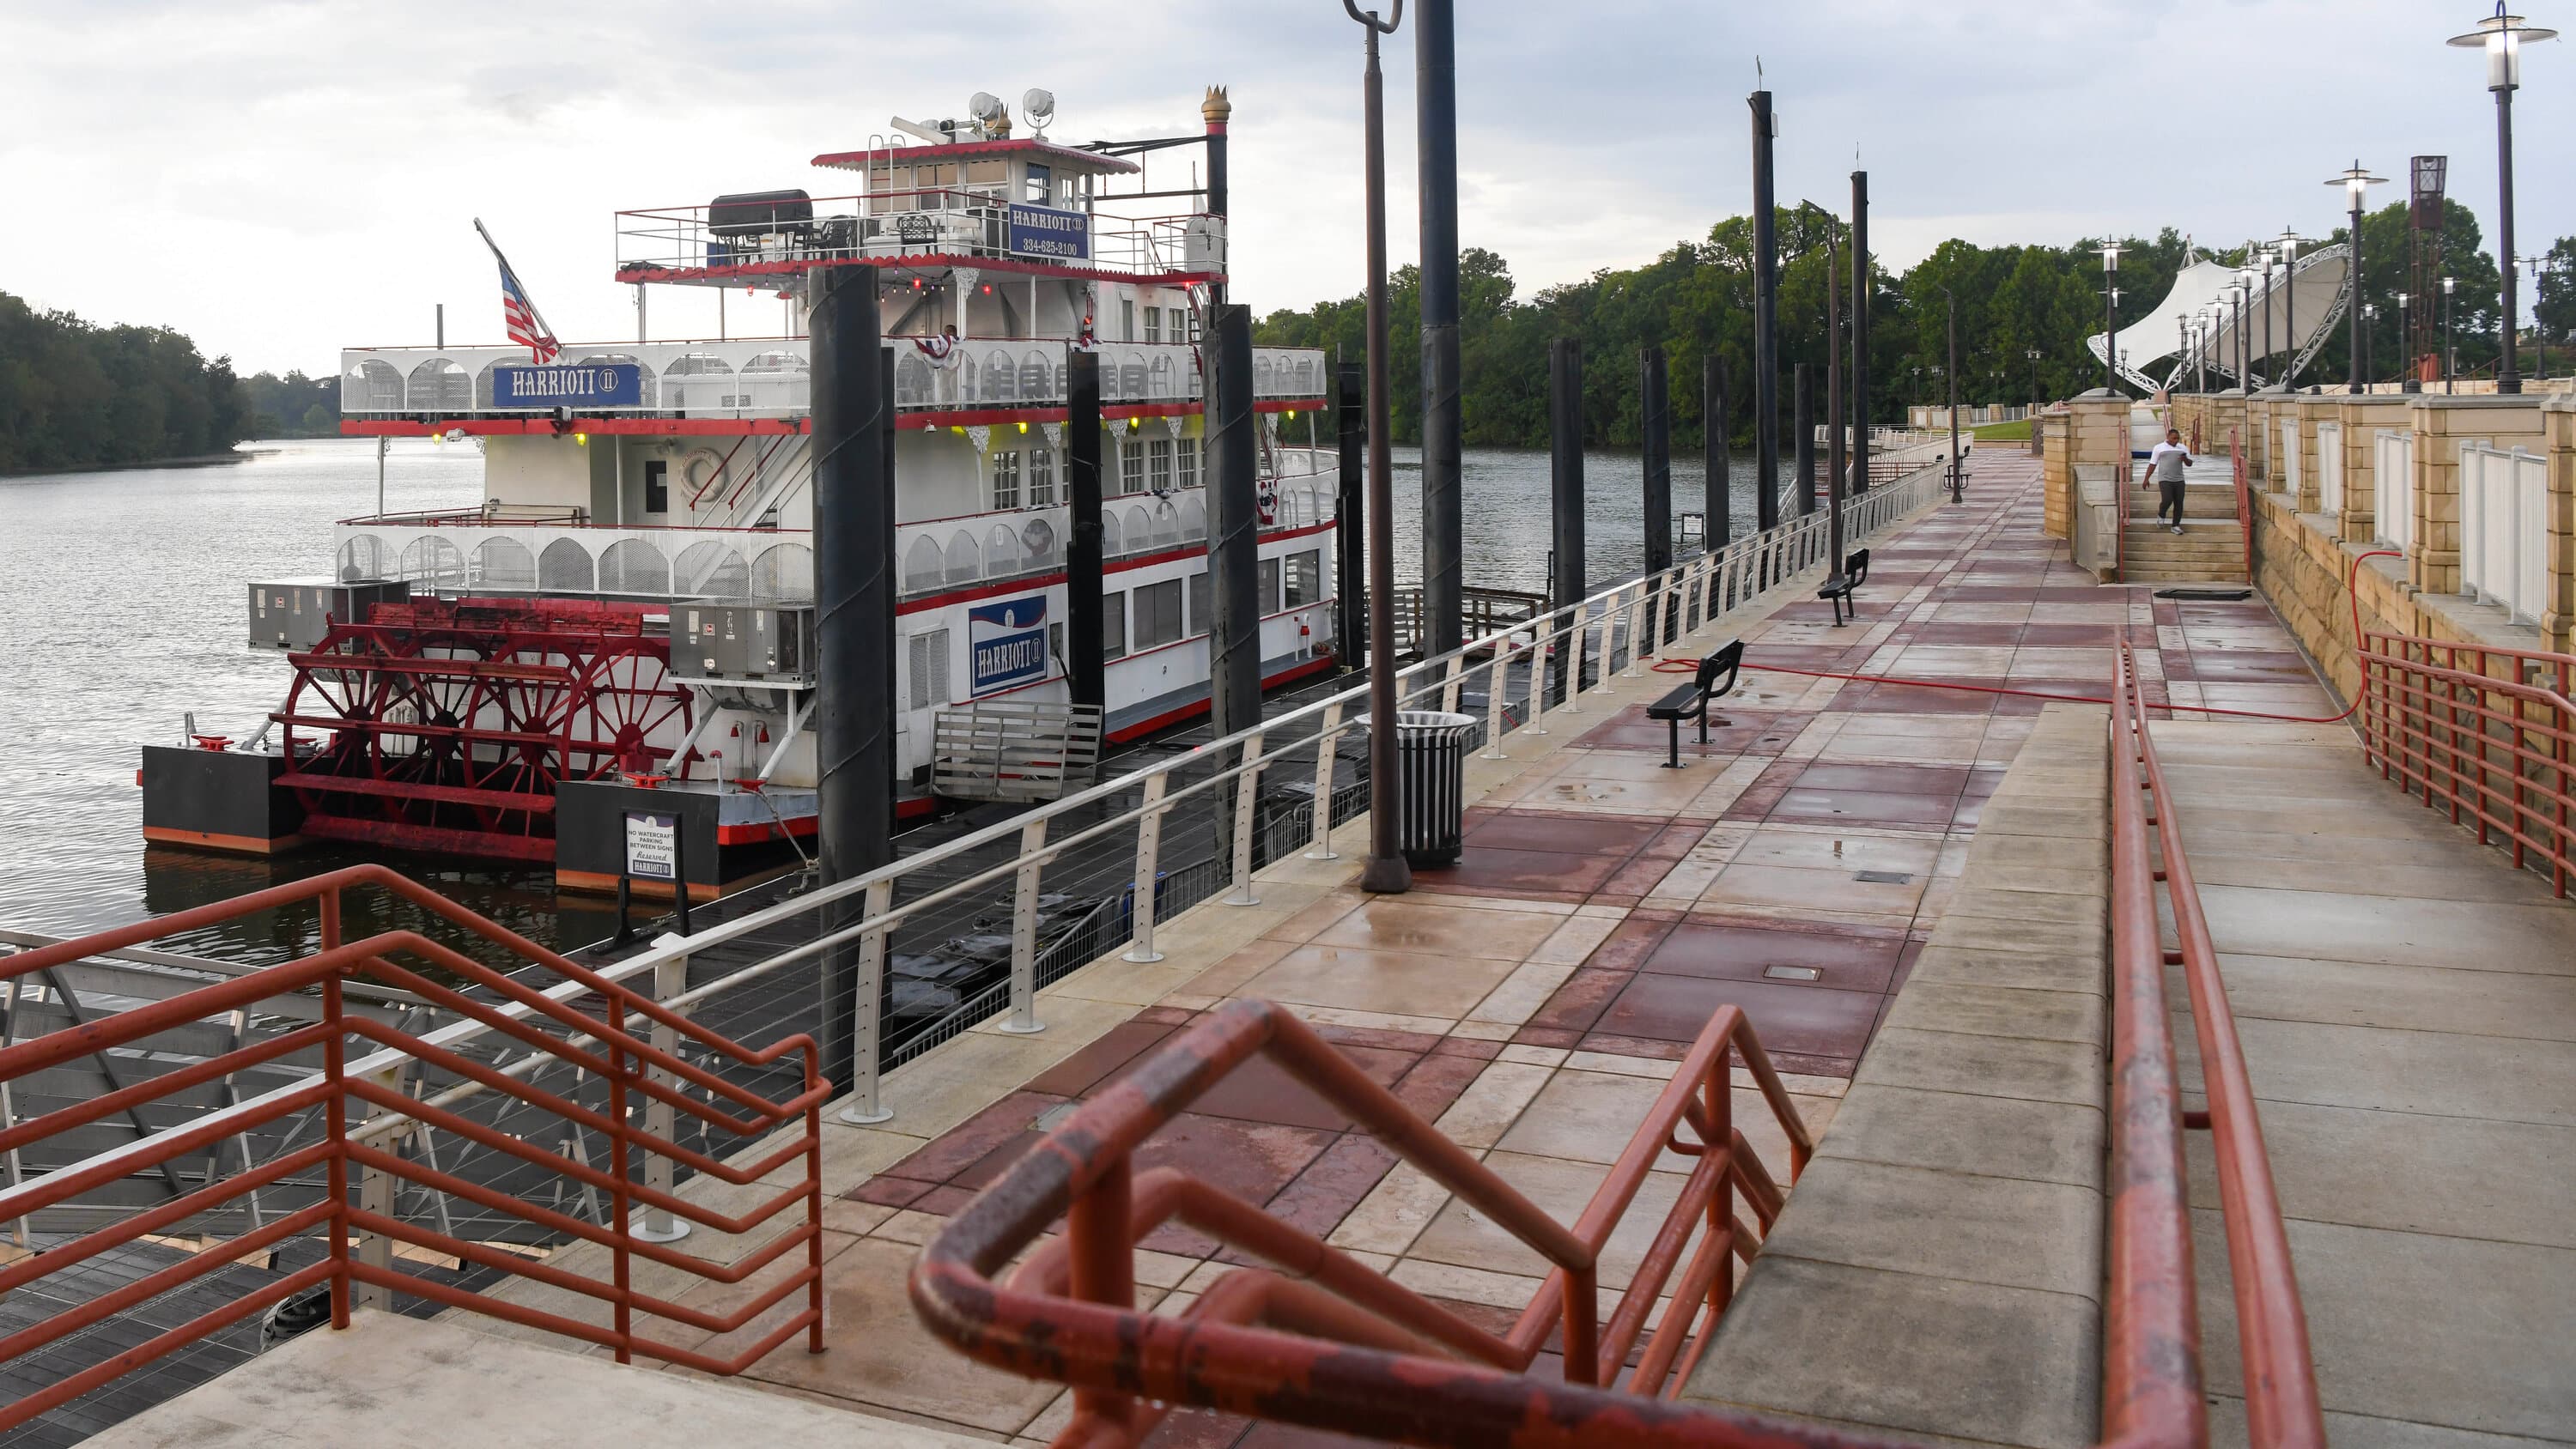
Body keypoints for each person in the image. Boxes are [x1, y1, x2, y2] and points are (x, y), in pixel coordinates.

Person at [2146, 428, 2192, 534]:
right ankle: (2161, 515)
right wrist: (2146, 479)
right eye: (2173, 438)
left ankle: (2175, 525)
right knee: (2167, 499)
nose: (2175, 441)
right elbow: (2153, 464)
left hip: (2179, 479)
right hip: (2165, 479)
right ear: (2168, 437)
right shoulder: (2159, 448)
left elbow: (2190, 463)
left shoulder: (2183, 448)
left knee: (2179, 503)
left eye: (2177, 439)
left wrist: (2185, 459)